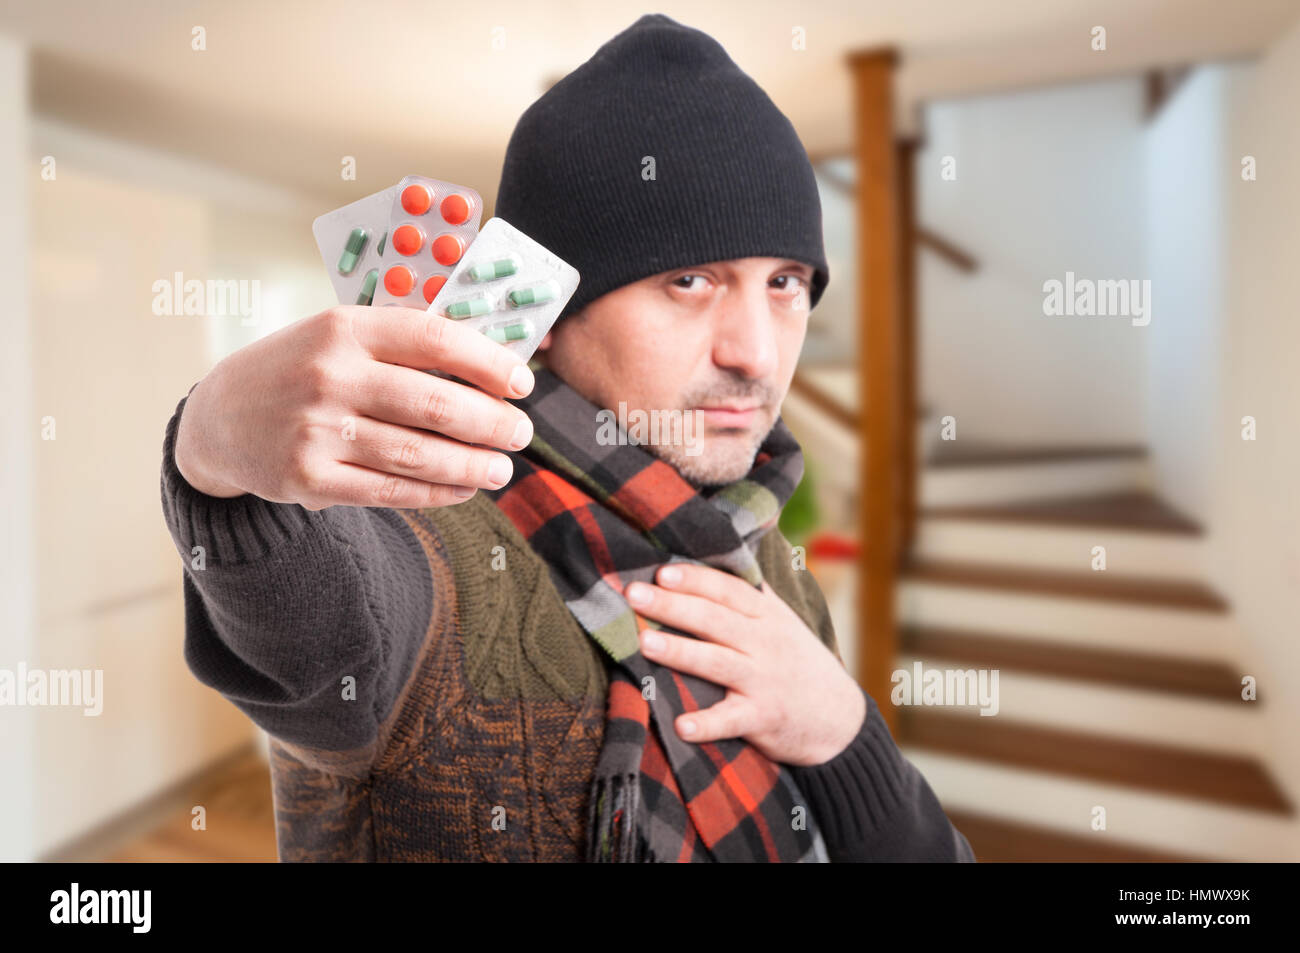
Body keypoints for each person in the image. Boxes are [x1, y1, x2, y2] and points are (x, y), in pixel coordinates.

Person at [160, 13, 975, 863]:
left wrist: (849, 737)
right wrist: (213, 445)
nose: (758, 353)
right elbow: (309, 596)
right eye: (690, 280)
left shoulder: (762, 545)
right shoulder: (425, 536)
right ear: (543, 313)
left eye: (785, 282)